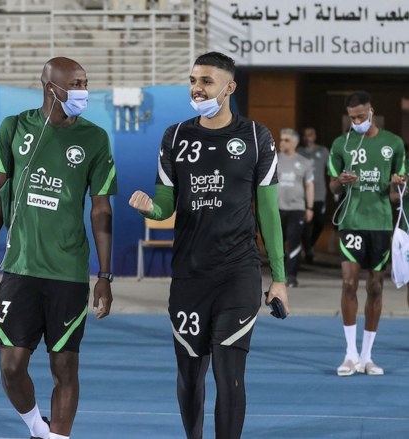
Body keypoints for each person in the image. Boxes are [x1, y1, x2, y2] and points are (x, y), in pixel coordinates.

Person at [129, 52, 289, 439]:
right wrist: (151, 210)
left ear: (229, 87)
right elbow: (166, 202)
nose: (197, 88)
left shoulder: (256, 137)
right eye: (193, 80)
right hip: (189, 275)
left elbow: (268, 213)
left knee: (229, 373)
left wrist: (279, 279)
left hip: (238, 272)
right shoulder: (176, 136)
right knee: (189, 377)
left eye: (206, 81)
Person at [0, 57, 116, 439]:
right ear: (51, 87)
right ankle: (38, 427)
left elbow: (101, 209)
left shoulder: (96, 138)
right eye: (76, 84)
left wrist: (104, 274)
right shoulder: (15, 127)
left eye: (86, 82)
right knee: (11, 366)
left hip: (68, 272)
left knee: (65, 369)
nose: (84, 91)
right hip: (19, 268)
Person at [328, 91, 405, 377]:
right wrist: (340, 181)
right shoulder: (341, 143)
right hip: (351, 221)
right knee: (349, 283)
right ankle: (350, 355)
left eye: (361, 116)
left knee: (376, 287)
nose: (357, 121)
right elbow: (333, 187)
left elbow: (398, 195)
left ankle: (367, 355)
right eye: (352, 118)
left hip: (381, 222)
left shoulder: (393, 143)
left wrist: (398, 185)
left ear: (372, 111)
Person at [277, 128, 314, 287]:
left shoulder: (304, 162)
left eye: (286, 140)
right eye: (281, 139)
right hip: (277, 208)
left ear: (294, 143)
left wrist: (310, 207)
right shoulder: (273, 159)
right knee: (277, 244)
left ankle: (291, 276)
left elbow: (309, 185)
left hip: (296, 209)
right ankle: (278, 274)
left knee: (294, 243)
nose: (282, 142)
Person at [298, 127, 330, 263]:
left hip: (319, 194)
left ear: (315, 136)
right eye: (305, 135)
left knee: (320, 222)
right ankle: (308, 250)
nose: (307, 138)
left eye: (310, 135)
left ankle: (310, 243)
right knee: (305, 223)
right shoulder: (299, 152)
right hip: (302, 195)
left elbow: (331, 169)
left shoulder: (322, 151)